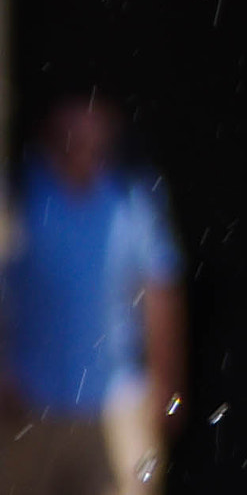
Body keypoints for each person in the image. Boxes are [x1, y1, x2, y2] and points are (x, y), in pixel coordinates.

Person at [0, 95, 185, 495]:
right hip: (28, 404)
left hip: (120, 403)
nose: (83, 128)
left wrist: (166, 384)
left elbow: (159, 295)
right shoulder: (17, 192)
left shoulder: (135, 196)